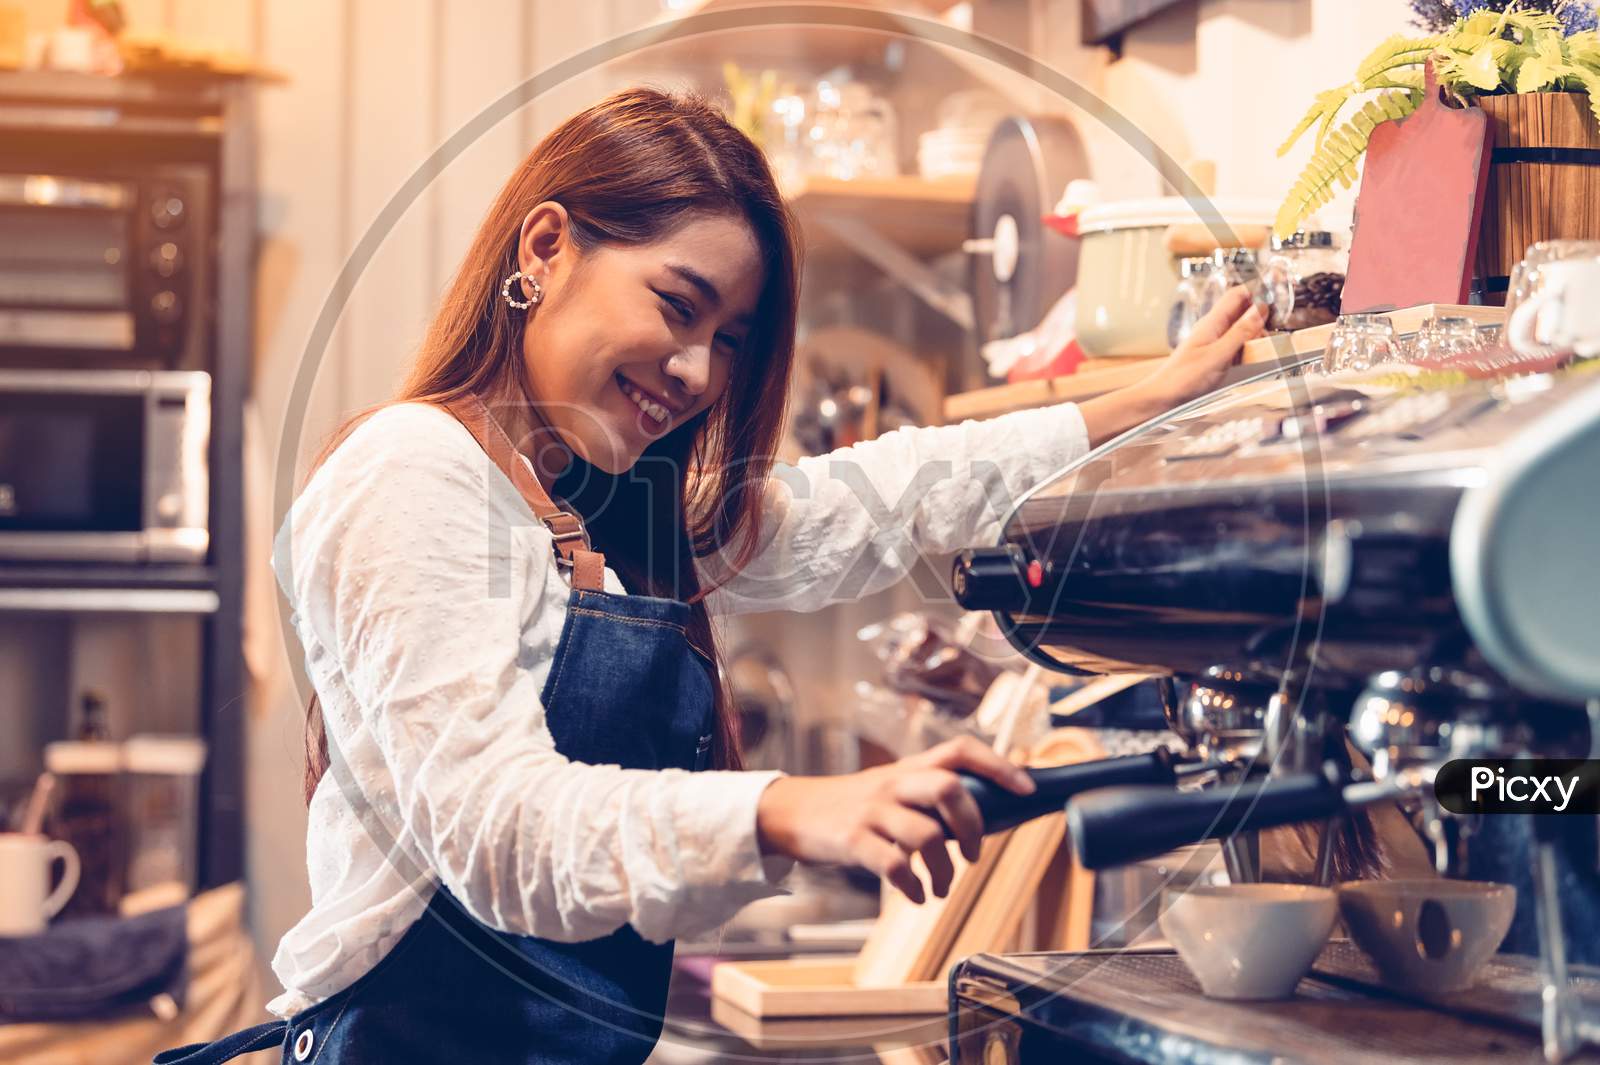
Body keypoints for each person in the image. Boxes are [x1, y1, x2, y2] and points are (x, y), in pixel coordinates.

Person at [156, 87, 1265, 1065]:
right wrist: (791, 811)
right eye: (678, 306)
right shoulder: (410, 473)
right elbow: (499, 832)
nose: (697, 370)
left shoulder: (611, 500)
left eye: (731, 338)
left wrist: (1131, 408)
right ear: (542, 250)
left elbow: (873, 501)